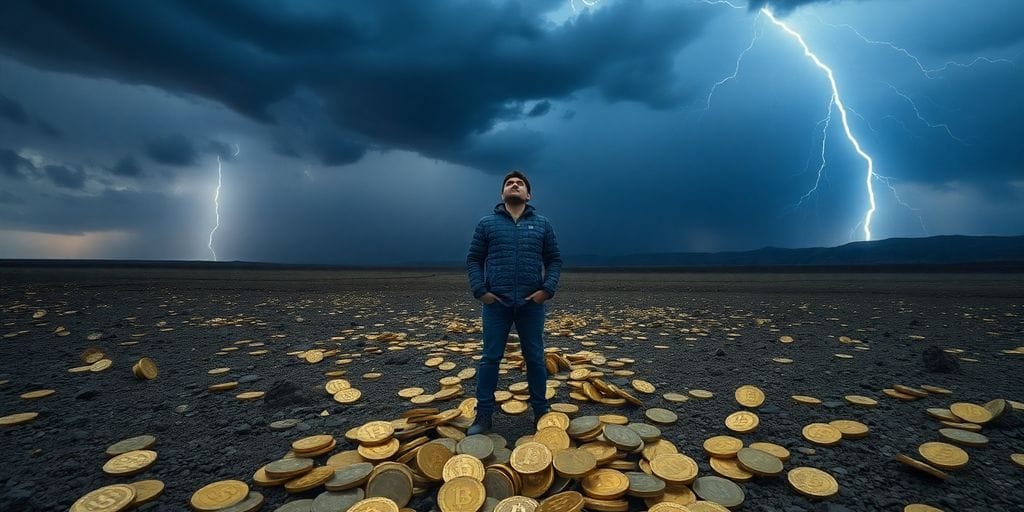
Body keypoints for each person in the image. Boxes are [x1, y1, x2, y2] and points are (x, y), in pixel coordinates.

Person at [466, 170, 562, 435]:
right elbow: (474, 259)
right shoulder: (487, 224)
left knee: (535, 358)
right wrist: (480, 291)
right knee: (490, 358)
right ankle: (483, 415)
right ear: (502, 194)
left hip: (532, 304)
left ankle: (541, 412)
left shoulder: (542, 224)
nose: (515, 185)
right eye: (510, 183)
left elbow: (554, 260)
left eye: (520, 184)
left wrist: (547, 290)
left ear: (528, 194)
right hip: (496, 304)